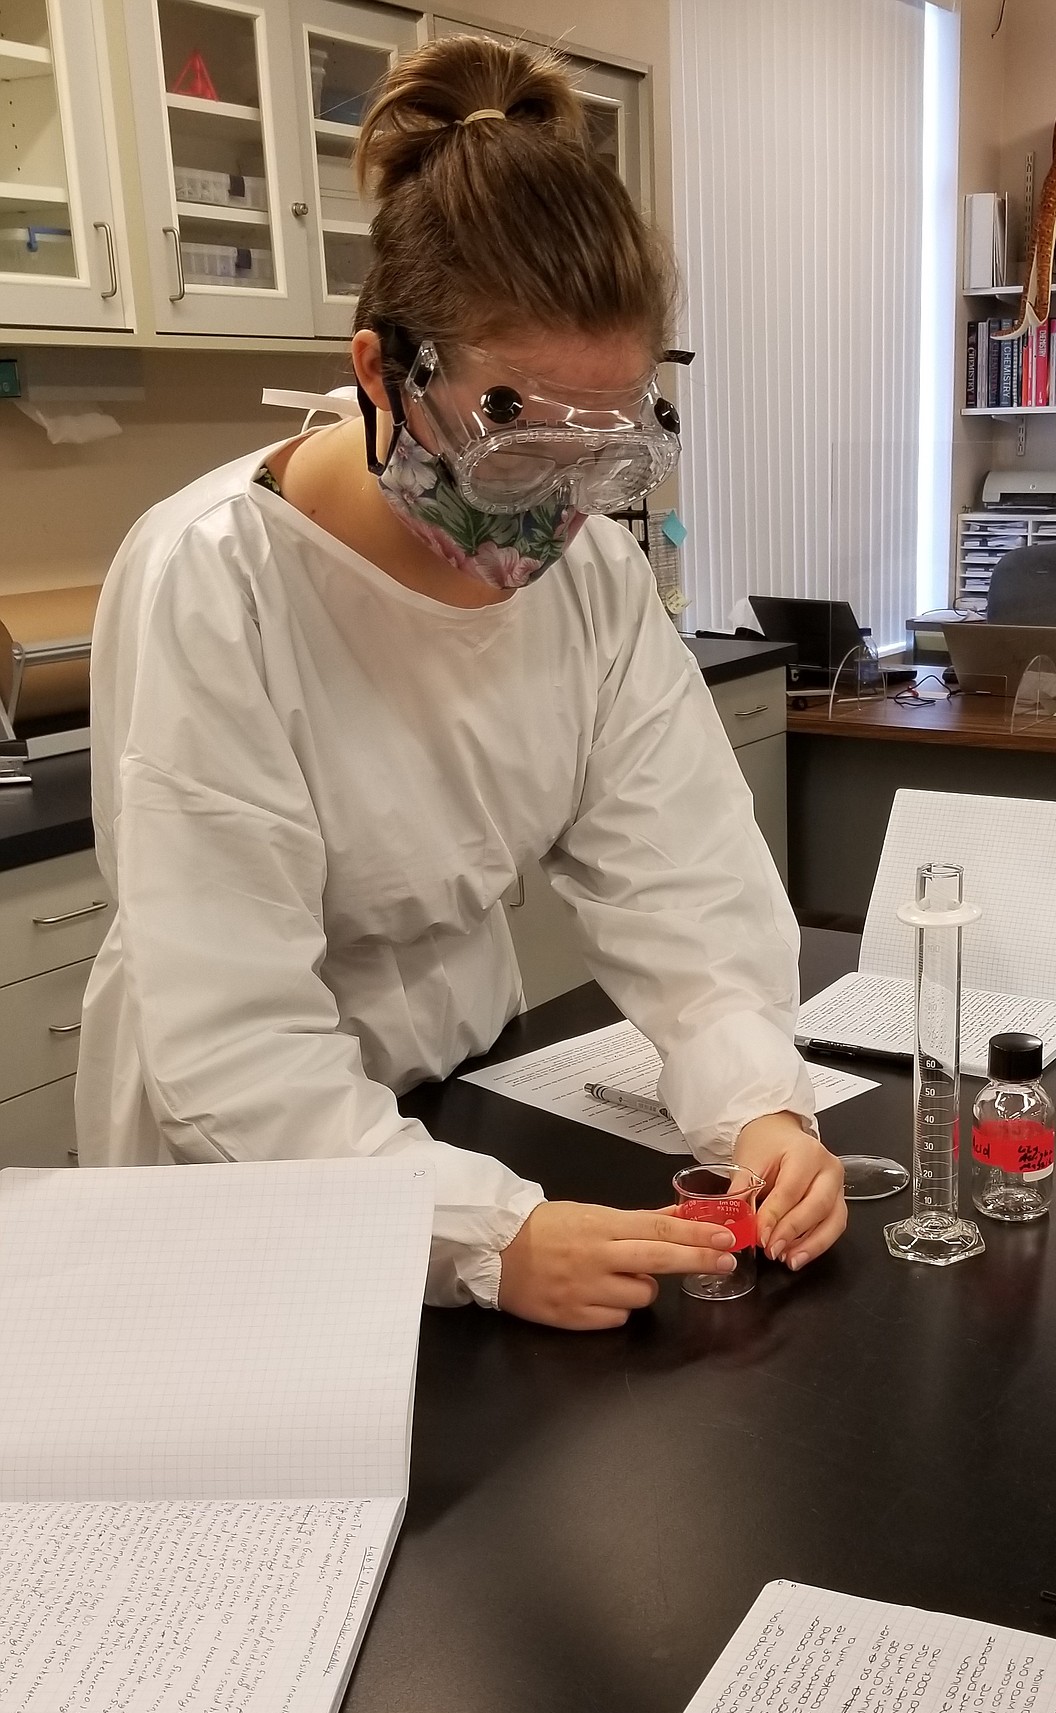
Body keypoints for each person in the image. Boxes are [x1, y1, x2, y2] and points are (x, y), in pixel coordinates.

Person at [76, 35, 845, 1331]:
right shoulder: (216, 583)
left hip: (454, 1087)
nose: (551, 520)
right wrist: (486, 1237)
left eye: (597, 455)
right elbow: (235, 1046)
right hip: (234, 1164)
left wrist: (755, 1103)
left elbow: (685, 887)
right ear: (381, 374)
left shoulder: (589, 581)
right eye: (515, 448)